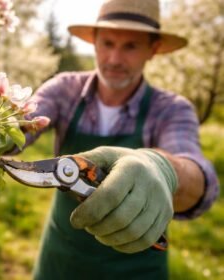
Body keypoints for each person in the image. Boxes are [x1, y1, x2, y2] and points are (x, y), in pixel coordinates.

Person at [22, 0, 220, 279]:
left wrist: (164, 168)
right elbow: (24, 122)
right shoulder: (64, 89)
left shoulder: (171, 109)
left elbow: (202, 182)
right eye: (108, 43)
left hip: (136, 270)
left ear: (151, 50)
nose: (114, 58)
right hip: (61, 261)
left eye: (130, 46)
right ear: (94, 43)